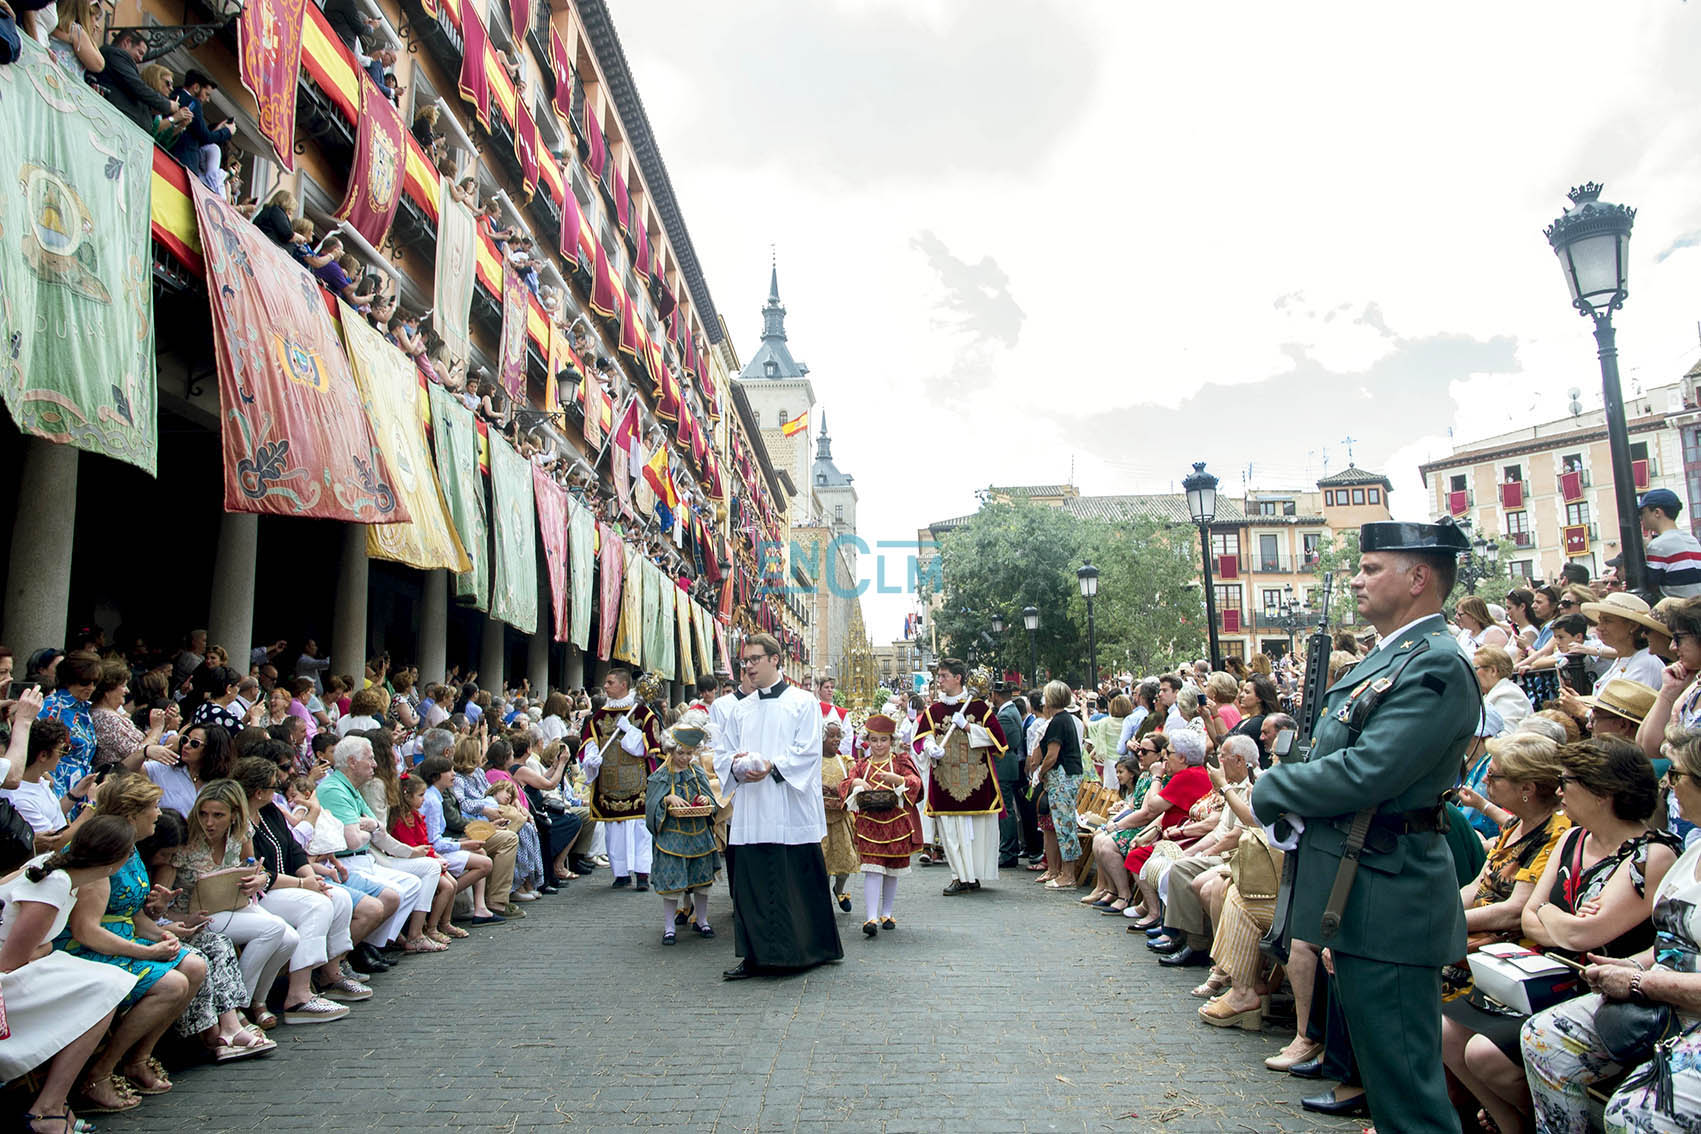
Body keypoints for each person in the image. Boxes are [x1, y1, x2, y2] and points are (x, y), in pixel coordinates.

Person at [1251, 518, 1479, 1134]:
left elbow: (1370, 770)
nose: (1356, 579)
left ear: (1418, 577)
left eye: (1371, 568)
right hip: (1367, 887)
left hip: (1391, 892)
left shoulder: (1435, 665)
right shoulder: (1395, 657)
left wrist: (1275, 788)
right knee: (1390, 1088)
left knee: (1408, 1097)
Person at [1520, 726, 1701, 1130]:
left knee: (1630, 1114)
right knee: (1540, 1037)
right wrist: (1628, 967)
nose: (1667, 783)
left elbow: (1576, 931)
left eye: (1678, 774)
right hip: (1661, 992)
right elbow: (1672, 944)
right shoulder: (1695, 850)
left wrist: (1638, 982)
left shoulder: (1656, 852)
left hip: (1684, 1004)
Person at [63, 774, 207, 1103]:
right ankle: (99, 1072)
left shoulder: (128, 848)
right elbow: (86, 930)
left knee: (195, 967)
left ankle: (138, 1058)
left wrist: (164, 933)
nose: (159, 813)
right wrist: (147, 952)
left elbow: (132, 915)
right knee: (173, 984)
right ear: (132, 814)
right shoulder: (102, 850)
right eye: (153, 807)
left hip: (122, 938)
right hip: (88, 948)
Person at [0, 816, 145, 1129]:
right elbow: (9, 962)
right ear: (116, 862)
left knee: (105, 983)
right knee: (106, 988)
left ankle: (57, 1101)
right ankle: (48, 1108)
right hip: (5, 982)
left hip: (18, 968)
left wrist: (47, 950)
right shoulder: (54, 885)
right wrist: (48, 950)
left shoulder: (50, 866)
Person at [714, 633, 841, 979]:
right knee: (752, 883)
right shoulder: (740, 708)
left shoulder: (803, 702)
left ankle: (805, 949)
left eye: (755, 659)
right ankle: (755, 955)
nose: (749, 666)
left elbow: (808, 751)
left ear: (775, 659)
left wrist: (771, 765)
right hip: (752, 809)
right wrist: (737, 767)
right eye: (745, 661)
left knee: (793, 879)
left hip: (787, 805)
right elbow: (723, 753)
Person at [911, 659, 1007, 896]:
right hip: (946, 779)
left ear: (958, 678)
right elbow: (922, 738)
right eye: (939, 676)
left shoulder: (978, 708)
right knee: (950, 832)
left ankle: (972, 875)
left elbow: (1000, 742)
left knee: (974, 832)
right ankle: (958, 876)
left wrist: (969, 727)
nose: (939, 680)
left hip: (975, 780)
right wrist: (931, 746)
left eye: (944, 676)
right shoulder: (934, 710)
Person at [840, 714, 924, 937]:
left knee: (891, 870)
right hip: (869, 824)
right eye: (874, 740)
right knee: (873, 870)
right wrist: (856, 782)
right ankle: (871, 917)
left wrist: (897, 780)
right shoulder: (861, 765)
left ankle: (887, 912)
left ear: (891, 740)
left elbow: (916, 783)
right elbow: (845, 784)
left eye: (883, 740)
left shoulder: (900, 762)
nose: (878, 745)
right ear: (868, 741)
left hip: (896, 823)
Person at [580, 668, 662, 890]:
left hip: (637, 781)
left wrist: (631, 732)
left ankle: (643, 873)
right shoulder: (598, 716)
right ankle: (620, 872)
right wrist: (590, 759)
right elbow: (590, 742)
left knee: (639, 829)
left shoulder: (643, 714)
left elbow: (652, 746)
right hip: (609, 782)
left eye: (609, 682)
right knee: (614, 830)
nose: (605, 686)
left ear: (623, 685)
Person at [643, 715, 720, 944]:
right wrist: (667, 799)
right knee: (671, 882)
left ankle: (702, 920)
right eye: (681, 753)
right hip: (671, 837)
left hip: (698, 835)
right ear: (671, 751)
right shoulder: (660, 776)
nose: (685, 758)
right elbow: (651, 806)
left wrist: (706, 802)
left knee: (702, 880)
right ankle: (669, 927)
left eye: (689, 753)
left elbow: (712, 801)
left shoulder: (697, 773)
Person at [1030, 680, 1085, 889]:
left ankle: (1068, 873)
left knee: (1064, 824)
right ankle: (1064, 870)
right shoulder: (1065, 719)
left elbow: (1052, 755)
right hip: (1068, 775)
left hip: (1062, 777)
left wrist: (1041, 772)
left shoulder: (1058, 722)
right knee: (1062, 823)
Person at [819, 720, 859, 910]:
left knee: (845, 862)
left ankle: (839, 889)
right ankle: (824, 900)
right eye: (831, 736)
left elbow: (853, 781)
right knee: (824, 863)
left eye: (837, 736)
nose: (835, 740)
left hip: (841, 819)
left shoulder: (844, 761)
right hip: (821, 821)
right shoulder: (814, 761)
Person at [1638, 486, 1701, 599]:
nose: (1641, 518)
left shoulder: (1658, 545)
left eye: (1643, 512)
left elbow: (1650, 584)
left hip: (1679, 610)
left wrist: (1646, 548)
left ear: (1657, 512)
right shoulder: (1691, 539)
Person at [992, 682, 1028, 867]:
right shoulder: (1010, 711)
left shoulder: (1005, 715)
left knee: (1006, 808)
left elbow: (1001, 742)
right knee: (1008, 807)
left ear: (997, 695)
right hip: (1008, 764)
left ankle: (1008, 851)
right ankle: (1008, 849)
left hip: (1004, 764)